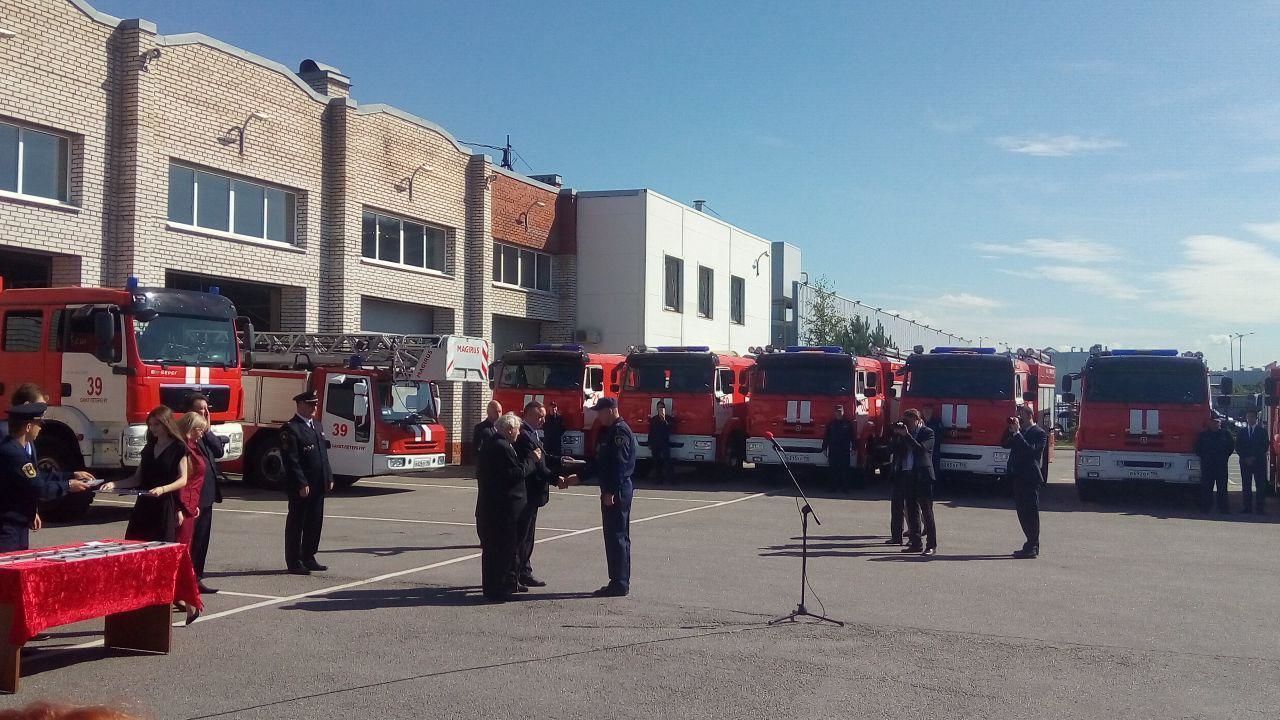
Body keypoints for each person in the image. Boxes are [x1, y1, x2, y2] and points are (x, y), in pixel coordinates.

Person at [0, 402, 92, 552]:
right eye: (38, 423)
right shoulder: (14, 454)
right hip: (8, 527)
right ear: (28, 427)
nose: (41, 428)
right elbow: (38, 487)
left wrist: (70, 475)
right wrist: (68, 485)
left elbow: (36, 476)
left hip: (18, 523)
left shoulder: (15, 449)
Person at [102, 406, 191, 544]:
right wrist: (114, 484)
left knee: (161, 547)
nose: (152, 428)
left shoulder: (179, 447)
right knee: (135, 544)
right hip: (144, 504)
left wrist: (162, 489)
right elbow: (137, 479)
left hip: (164, 505)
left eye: (157, 424)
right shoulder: (149, 447)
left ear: (167, 423)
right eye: (150, 424)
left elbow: (183, 479)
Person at [514, 401, 576, 590]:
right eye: (538, 416)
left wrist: (562, 460)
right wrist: (557, 479)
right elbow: (537, 466)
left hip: (533, 494)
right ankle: (516, 575)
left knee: (528, 536)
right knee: (521, 537)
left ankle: (524, 571)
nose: (542, 420)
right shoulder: (523, 435)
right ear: (527, 415)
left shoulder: (532, 432)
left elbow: (544, 456)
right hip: (527, 492)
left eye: (543, 416)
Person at [475, 413, 533, 602]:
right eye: (516, 430)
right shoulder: (501, 446)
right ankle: (496, 590)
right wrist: (532, 461)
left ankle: (500, 586)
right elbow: (515, 473)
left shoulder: (497, 443)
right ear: (509, 429)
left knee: (499, 550)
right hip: (499, 509)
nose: (518, 434)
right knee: (498, 551)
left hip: (495, 508)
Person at [281, 390, 332, 574]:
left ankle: (309, 556)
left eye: (315, 404)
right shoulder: (291, 428)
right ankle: (294, 561)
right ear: (300, 405)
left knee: (314, 522)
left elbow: (322, 455)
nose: (314, 407)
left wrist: (328, 477)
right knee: (297, 523)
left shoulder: (316, 426)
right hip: (302, 486)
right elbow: (291, 460)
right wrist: (301, 483)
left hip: (318, 484)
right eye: (310, 404)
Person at [590, 397, 636, 597]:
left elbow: (619, 465)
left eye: (600, 412)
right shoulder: (612, 430)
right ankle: (618, 580)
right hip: (616, 489)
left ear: (610, 410)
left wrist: (610, 491)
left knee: (616, 536)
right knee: (615, 535)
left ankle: (619, 582)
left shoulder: (619, 432)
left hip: (617, 490)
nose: (598, 416)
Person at [182, 392, 226, 593]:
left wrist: (208, 430)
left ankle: (197, 578)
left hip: (207, 496)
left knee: (202, 541)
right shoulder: (187, 437)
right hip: (193, 497)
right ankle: (187, 582)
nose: (205, 412)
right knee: (190, 542)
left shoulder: (203, 433)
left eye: (207, 408)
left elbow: (218, 451)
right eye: (201, 409)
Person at [1002, 404, 1048, 559]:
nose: (1019, 419)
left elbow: (1032, 452)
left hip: (1031, 477)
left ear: (1029, 416)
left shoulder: (1039, 433)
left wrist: (1017, 434)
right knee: (1021, 512)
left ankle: (1033, 545)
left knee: (1031, 512)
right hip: (1018, 476)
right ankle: (1029, 544)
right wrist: (1010, 429)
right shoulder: (1018, 431)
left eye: (1021, 415)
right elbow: (1003, 443)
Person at [891, 409, 938, 555]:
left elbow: (921, 450)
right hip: (908, 474)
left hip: (923, 476)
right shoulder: (904, 433)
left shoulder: (927, 432)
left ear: (917, 420)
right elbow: (894, 450)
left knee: (927, 511)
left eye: (909, 422)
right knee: (911, 511)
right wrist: (897, 436)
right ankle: (916, 542)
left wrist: (908, 436)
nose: (907, 425)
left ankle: (931, 545)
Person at [174, 412, 209, 550]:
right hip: (183, 504)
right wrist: (178, 509)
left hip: (191, 504)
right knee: (180, 545)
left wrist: (194, 504)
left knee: (187, 544)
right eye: (200, 429)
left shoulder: (194, 446)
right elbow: (180, 479)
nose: (202, 433)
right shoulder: (183, 447)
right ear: (191, 427)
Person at [1195, 416, 1234, 513]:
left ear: (1220, 423)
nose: (1215, 424)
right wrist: (1205, 458)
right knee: (1207, 487)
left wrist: (1224, 457)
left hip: (1221, 465)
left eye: (1217, 422)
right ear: (1209, 423)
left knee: (1222, 488)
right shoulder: (1203, 435)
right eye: (1213, 422)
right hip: (1207, 466)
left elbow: (1231, 447)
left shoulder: (1226, 434)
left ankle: (1223, 509)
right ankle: (1206, 508)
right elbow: (1197, 448)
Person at [1237, 408, 1268, 514]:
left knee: (1260, 486)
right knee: (1246, 485)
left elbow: (1264, 446)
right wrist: (1245, 457)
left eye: (1252, 417)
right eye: (1248, 417)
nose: (1250, 419)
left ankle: (1260, 508)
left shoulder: (1262, 432)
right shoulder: (1242, 432)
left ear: (1256, 418)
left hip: (1258, 462)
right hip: (1245, 463)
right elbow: (1238, 446)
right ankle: (1247, 507)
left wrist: (1253, 457)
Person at [821, 404, 855, 493]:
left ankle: (845, 488)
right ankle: (832, 488)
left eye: (840, 411)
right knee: (833, 470)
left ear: (843, 412)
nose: (839, 413)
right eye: (837, 412)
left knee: (845, 470)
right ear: (835, 413)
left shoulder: (847, 424)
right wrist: (824, 448)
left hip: (844, 450)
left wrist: (854, 448)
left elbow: (853, 437)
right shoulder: (831, 424)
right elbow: (826, 437)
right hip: (833, 450)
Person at [647, 401, 674, 485]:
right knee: (657, 462)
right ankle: (658, 479)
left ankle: (670, 479)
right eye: (659, 407)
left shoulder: (668, 418)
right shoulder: (654, 419)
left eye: (662, 407)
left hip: (665, 443)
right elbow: (650, 431)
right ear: (657, 409)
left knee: (667, 462)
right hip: (655, 443)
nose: (661, 409)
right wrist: (649, 443)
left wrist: (664, 420)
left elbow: (671, 429)